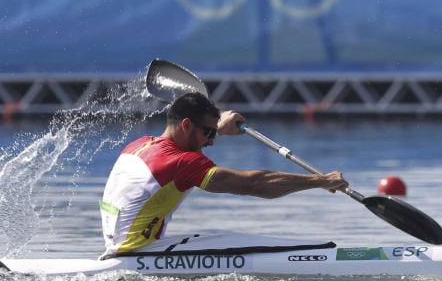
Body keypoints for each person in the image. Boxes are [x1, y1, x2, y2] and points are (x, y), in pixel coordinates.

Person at [99, 93, 348, 259]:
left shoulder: (139, 145)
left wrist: (214, 127)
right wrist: (320, 181)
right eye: (207, 133)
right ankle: (327, 255)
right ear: (186, 125)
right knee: (247, 243)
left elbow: (182, 150)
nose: (211, 141)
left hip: (121, 249)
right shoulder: (183, 162)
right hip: (140, 253)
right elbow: (255, 184)